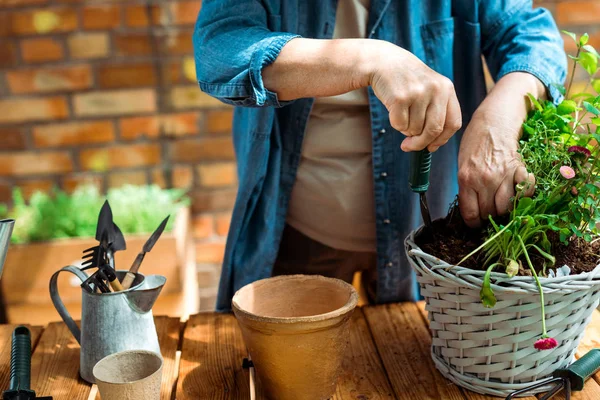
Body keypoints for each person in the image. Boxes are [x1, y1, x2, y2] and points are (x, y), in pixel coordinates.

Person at [193, 0, 567, 311]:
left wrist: (498, 118)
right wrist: (369, 59)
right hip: (296, 233)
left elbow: (532, 36)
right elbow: (219, 47)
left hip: (426, 241)